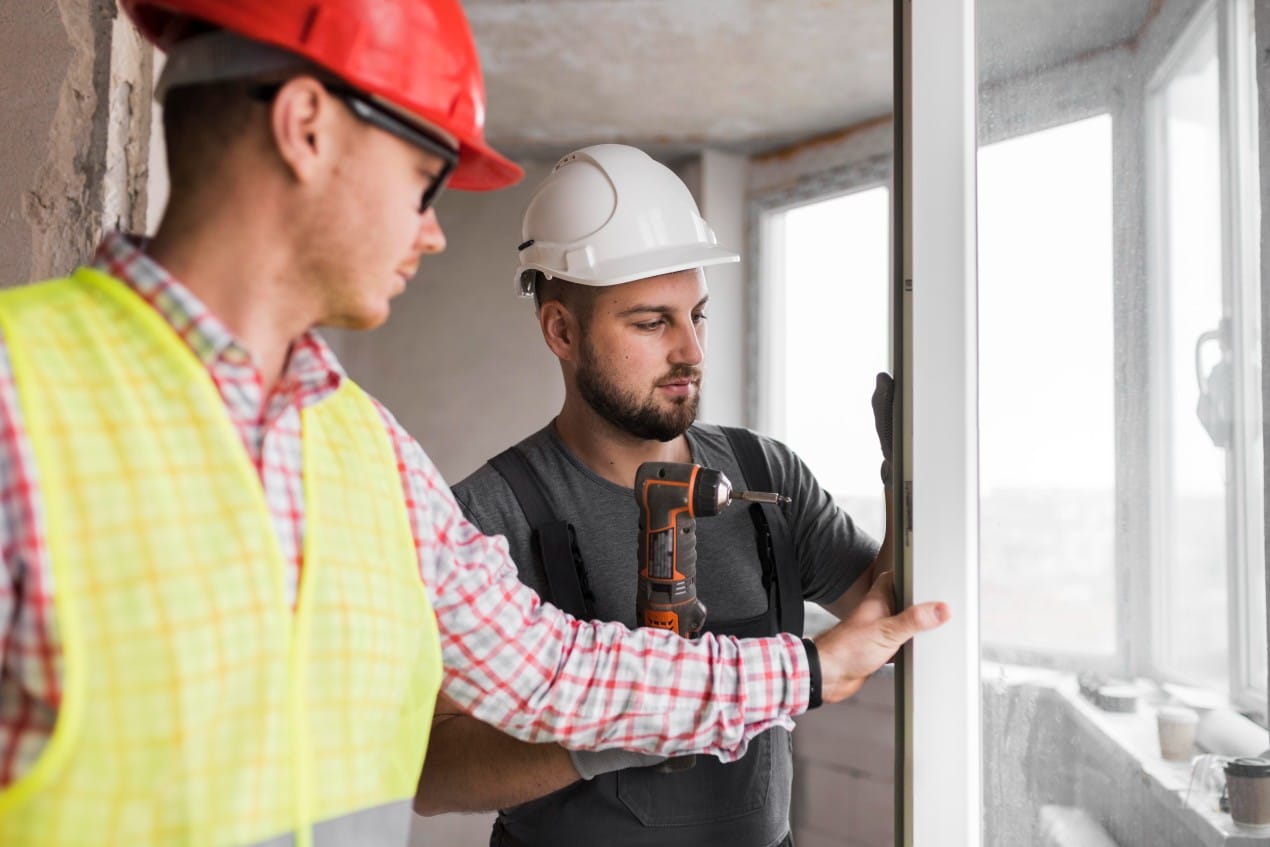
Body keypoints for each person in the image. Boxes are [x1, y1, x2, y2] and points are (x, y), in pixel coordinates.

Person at [0, 4, 947, 845]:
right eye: (423, 177)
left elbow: (552, 671)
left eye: (692, 315)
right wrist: (792, 677)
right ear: (307, 129)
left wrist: (810, 665)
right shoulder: (20, 401)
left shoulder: (366, 453)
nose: (435, 230)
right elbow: (442, 759)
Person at [416, 143, 902, 847]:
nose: (692, 352)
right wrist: (613, 732)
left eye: (696, 315)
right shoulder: (488, 516)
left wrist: (906, 480)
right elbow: (431, 771)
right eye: (652, 322)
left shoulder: (765, 476)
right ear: (561, 329)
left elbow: (881, 621)